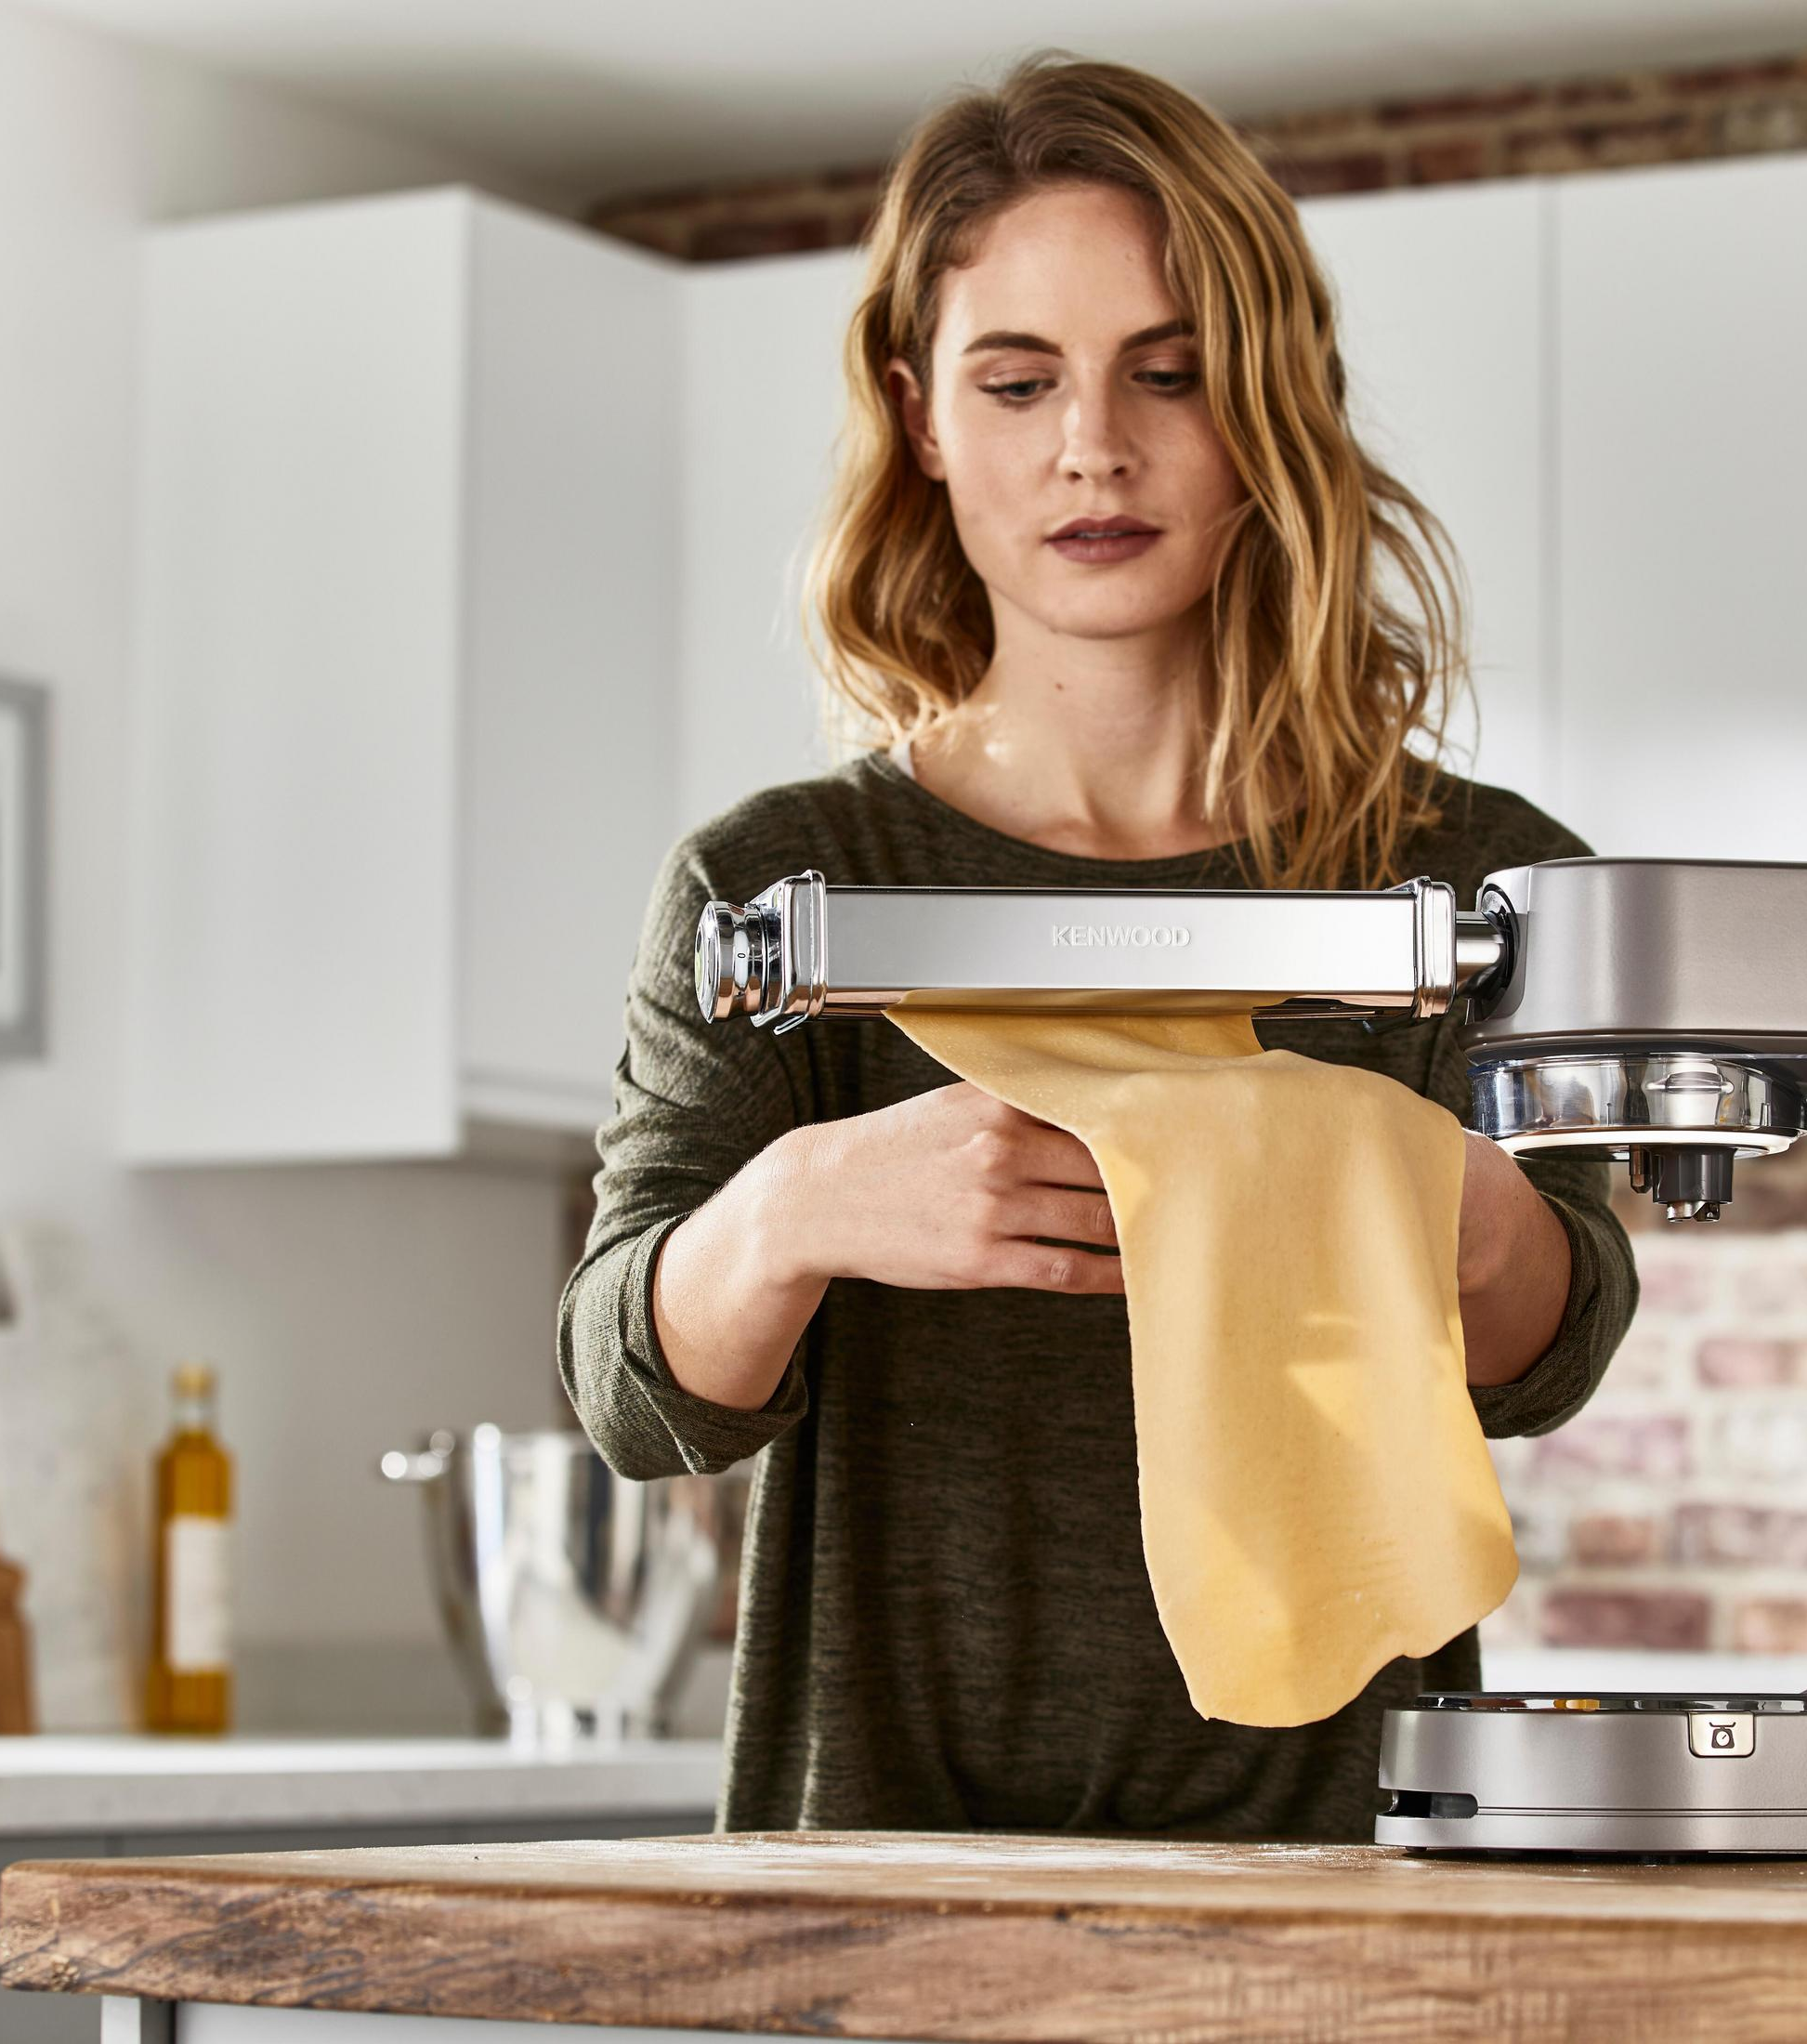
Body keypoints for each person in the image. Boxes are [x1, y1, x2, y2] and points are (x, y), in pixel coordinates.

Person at [559, 55, 1637, 1841]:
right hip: (888, 1888)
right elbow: (629, 1393)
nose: (1093, 448)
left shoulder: (1480, 885)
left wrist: (1439, 1198)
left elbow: (1554, 1350)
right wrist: (808, 1205)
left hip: (1356, 1880)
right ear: (920, 416)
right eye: (1018, 380)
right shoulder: (781, 883)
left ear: (1269, 401)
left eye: (1170, 371)